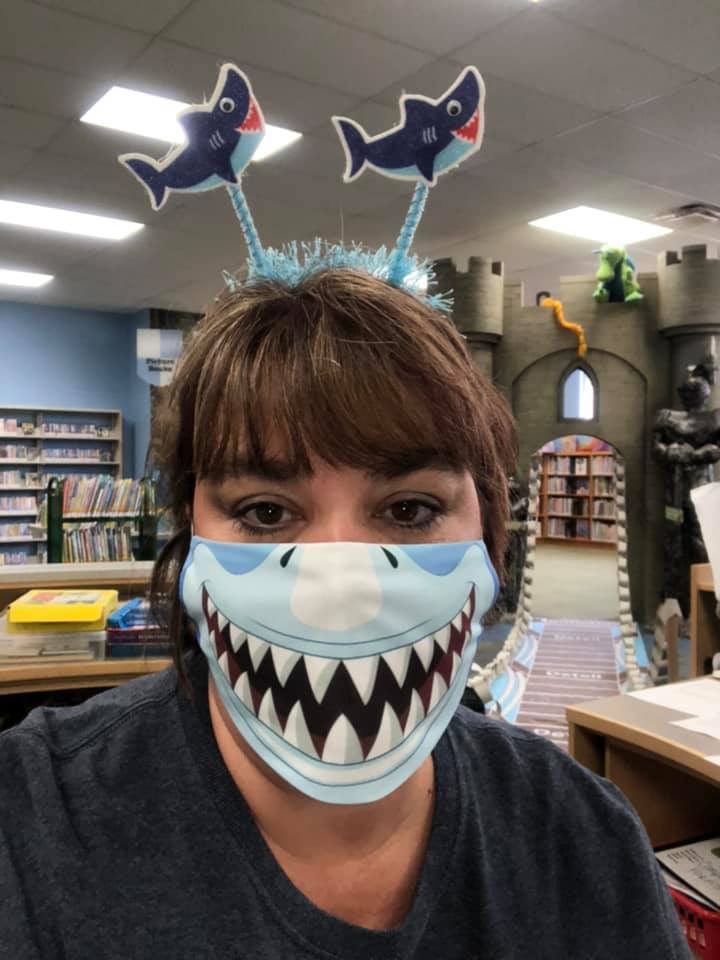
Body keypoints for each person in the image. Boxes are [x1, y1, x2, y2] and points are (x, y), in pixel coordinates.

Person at [0, 270, 688, 958]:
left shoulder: (582, 838)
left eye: (409, 510)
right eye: (264, 512)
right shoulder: (30, 823)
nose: (341, 591)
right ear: (187, 535)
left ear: (490, 540)